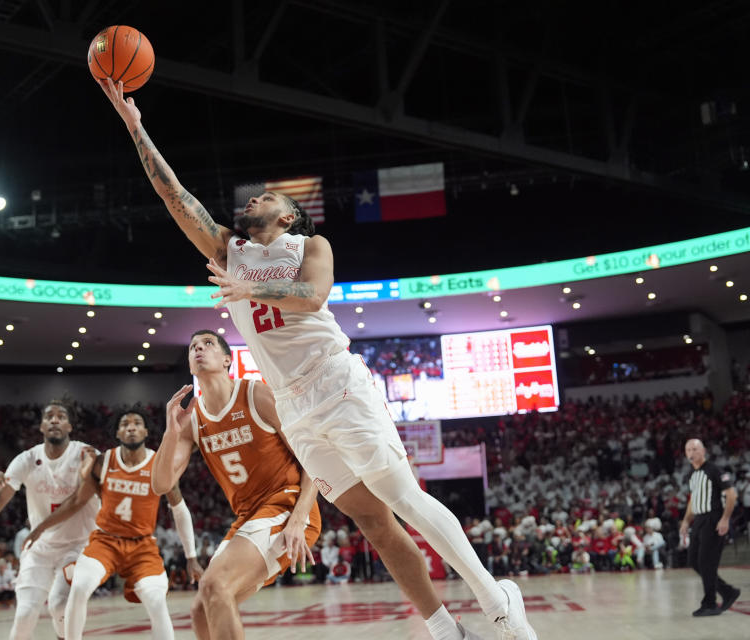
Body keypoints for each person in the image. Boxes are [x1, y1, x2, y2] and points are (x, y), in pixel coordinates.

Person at [99, 77, 535, 640]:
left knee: (402, 497)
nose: (254, 198)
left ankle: (495, 597)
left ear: (288, 218)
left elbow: (313, 297)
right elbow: (175, 196)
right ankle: (445, 629)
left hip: (334, 382)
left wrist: (249, 290)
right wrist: (137, 128)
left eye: (269, 198)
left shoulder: (309, 246)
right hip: (296, 406)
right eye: (254, 197)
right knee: (373, 521)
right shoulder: (229, 248)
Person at [153, 329, 323, 640]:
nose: (198, 349)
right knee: (203, 609)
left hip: (288, 508)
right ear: (189, 363)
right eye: (192, 347)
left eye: (207, 344)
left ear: (227, 359)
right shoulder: (192, 419)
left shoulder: (256, 394)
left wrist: (299, 518)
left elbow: (312, 457)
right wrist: (171, 432)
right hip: (248, 518)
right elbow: (162, 484)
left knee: (215, 585)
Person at [24, 410, 202, 640]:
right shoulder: (104, 461)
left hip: (142, 546)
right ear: (118, 432)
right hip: (105, 541)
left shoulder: (159, 463)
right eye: (125, 424)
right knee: (79, 588)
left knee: (157, 601)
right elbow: (77, 501)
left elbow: (179, 509)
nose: (131, 427)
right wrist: (40, 528)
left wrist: (191, 557)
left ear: (145, 432)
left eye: (137, 423)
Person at [0, 400, 100, 640]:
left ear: (69, 427)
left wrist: (40, 528)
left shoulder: (87, 454)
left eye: (61, 416)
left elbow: (78, 500)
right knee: (24, 613)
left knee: (59, 606)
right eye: (49, 417)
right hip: (41, 548)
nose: (54, 420)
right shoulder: (26, 459)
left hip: (80, 545)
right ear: (41, 427)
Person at [679, 438, 741, 616]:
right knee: (693, 561)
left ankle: (710, 603)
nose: (691, 453)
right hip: (699, 519)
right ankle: (728, 592)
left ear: (703, 451)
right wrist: (685, 520)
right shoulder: (692, 474)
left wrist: (725, 519)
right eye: (688, 450)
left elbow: (731, 495)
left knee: (707, 563)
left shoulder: (714, 470)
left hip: (713, 518)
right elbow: (693, 500)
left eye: (695, 449)